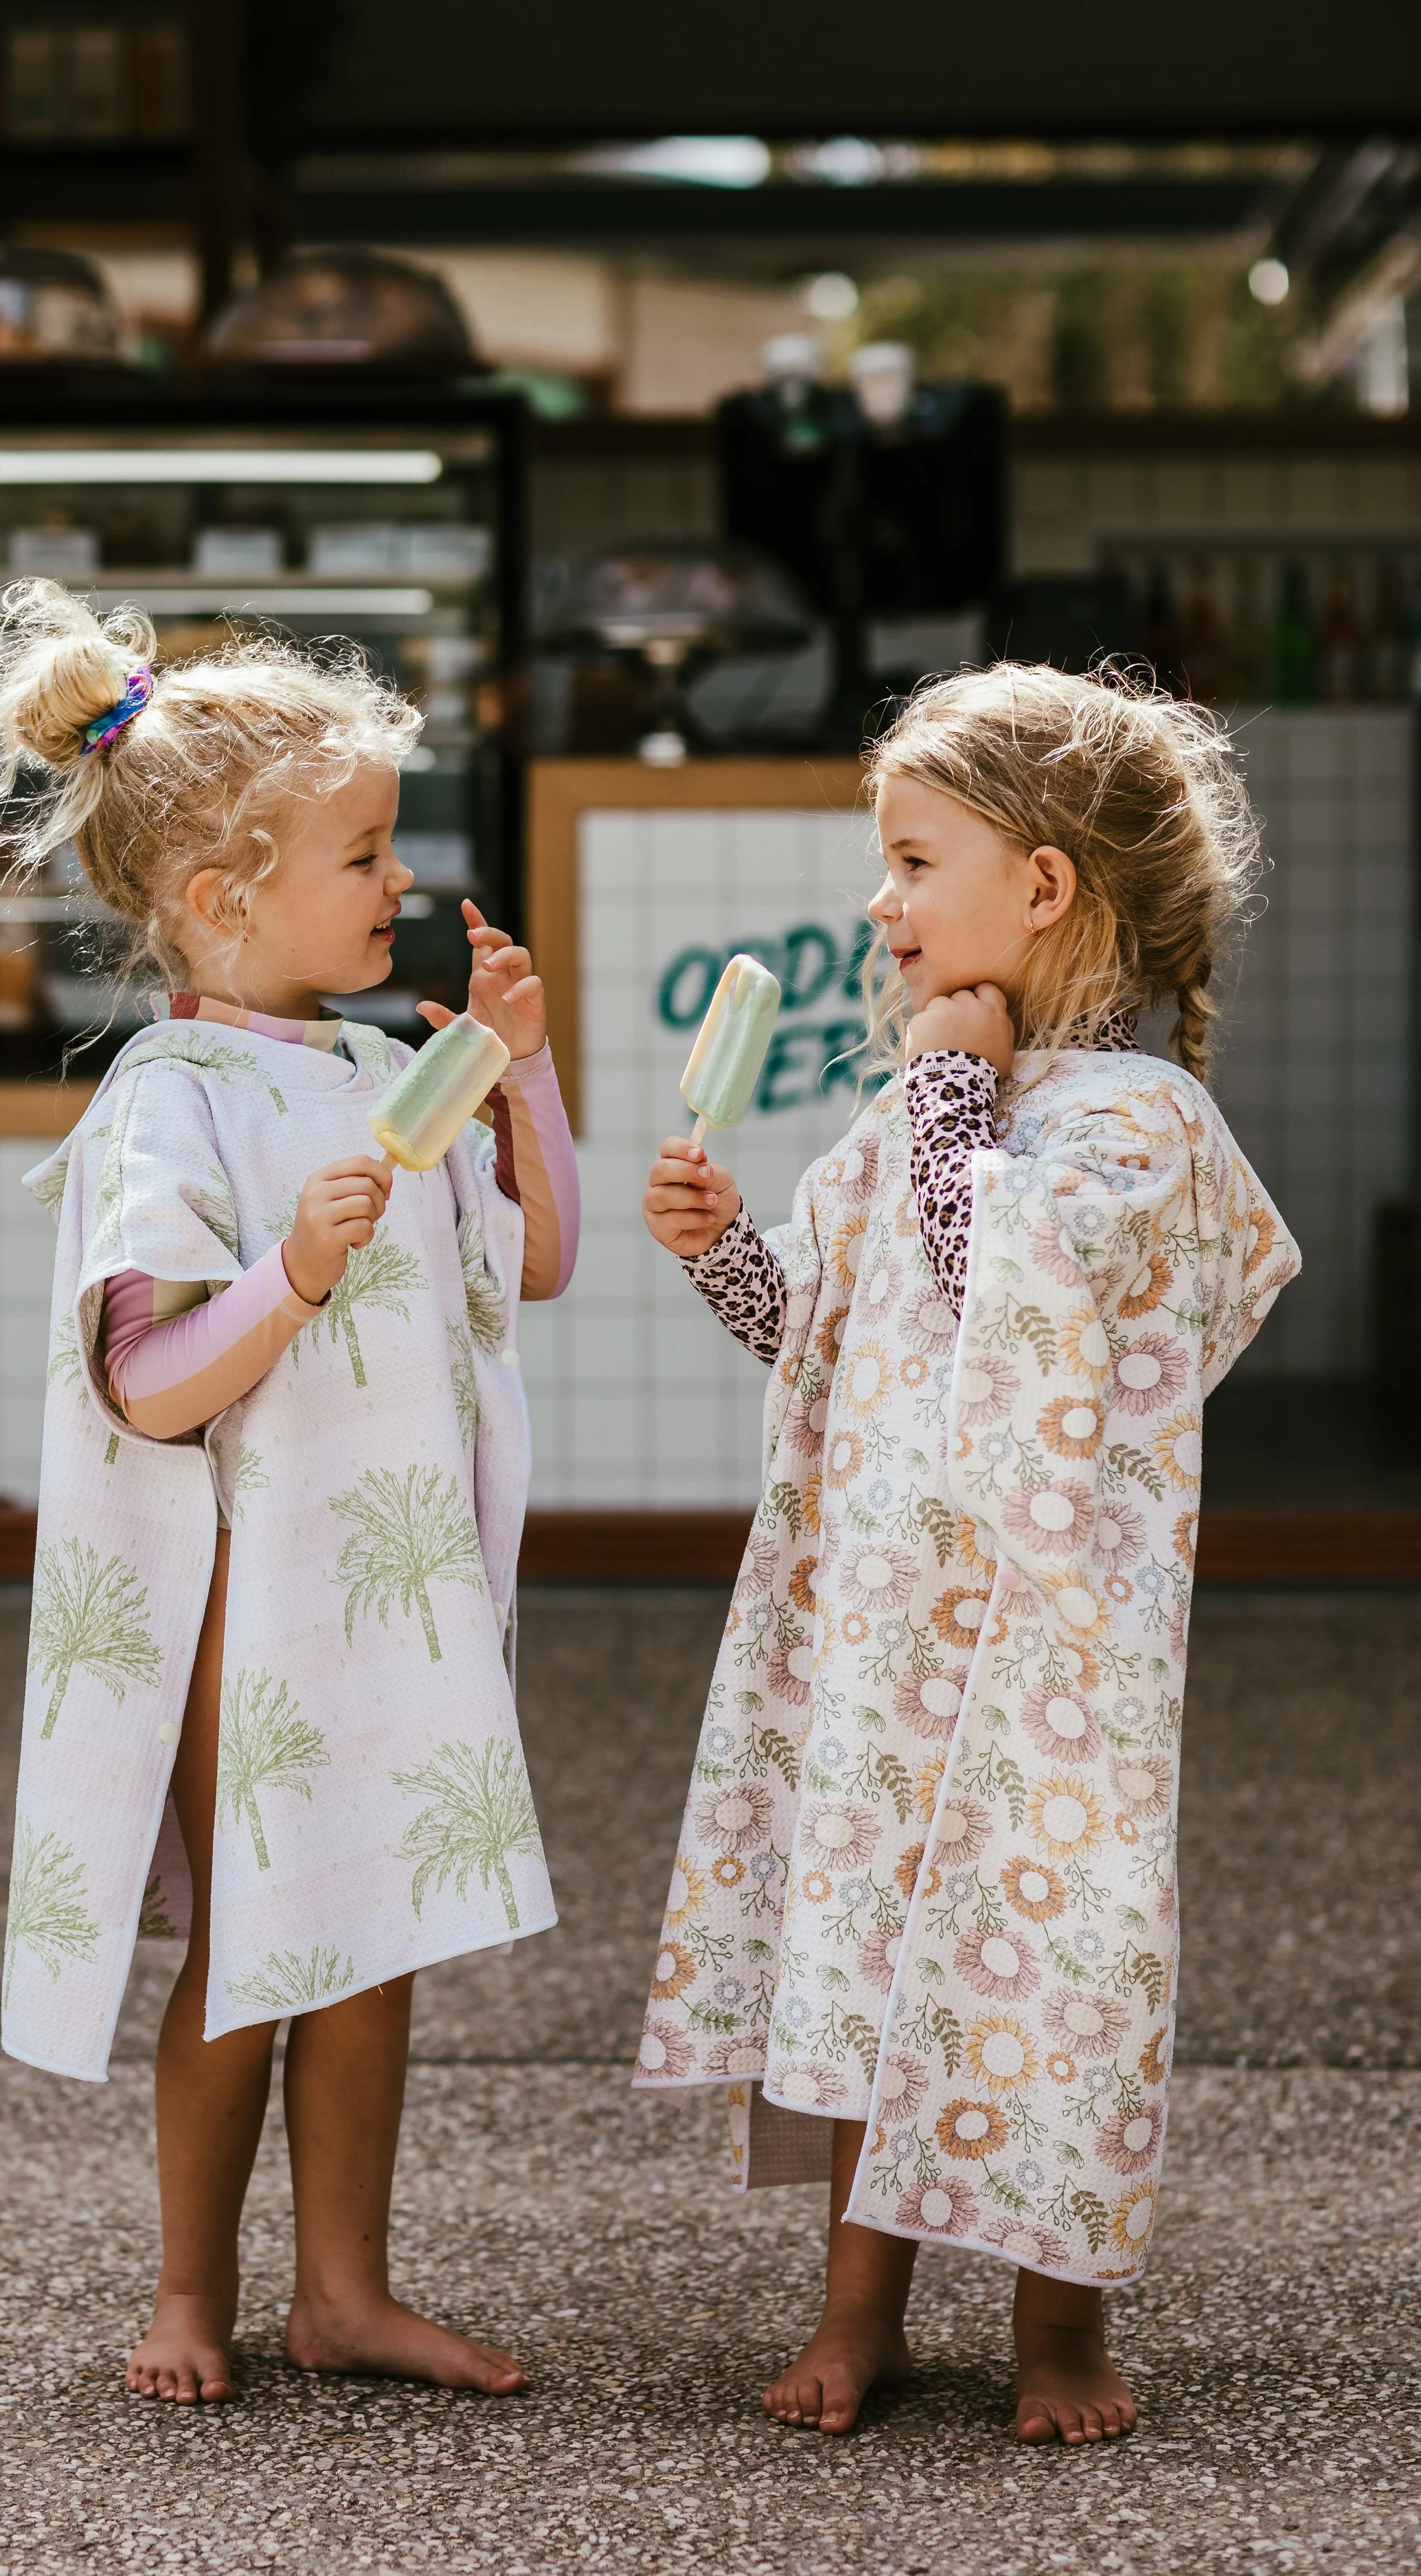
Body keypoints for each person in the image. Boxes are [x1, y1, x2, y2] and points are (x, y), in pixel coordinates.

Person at [637, 664, 1297, 2446]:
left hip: (1044, 1669)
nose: (880, 903)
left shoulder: (1137, 1131)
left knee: (1041, 1969)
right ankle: (858, 2307)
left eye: (912, 860)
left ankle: (1056, 2329)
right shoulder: (905, 1117)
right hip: (882, 1648)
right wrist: (723, 1256)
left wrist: (949, 1096)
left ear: (1043, 889)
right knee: (865, 1956)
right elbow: (834, 1331)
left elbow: (1003, 1298)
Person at [0, 580, 578, 2405]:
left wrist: (522, 1070)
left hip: (384, 1589)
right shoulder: (172, 1098)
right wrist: (289, 1277)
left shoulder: (396, 1063)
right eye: (360, 850)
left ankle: (345, 2288)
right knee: (252, 1938)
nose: (395, 881)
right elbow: (146, 1379)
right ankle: (187, 2287)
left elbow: (535, 1256)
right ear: (222, 899)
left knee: (371, 1925)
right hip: (249, 1582)